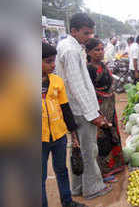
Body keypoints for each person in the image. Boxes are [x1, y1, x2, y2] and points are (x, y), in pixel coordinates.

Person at [55, 13, 112, 200]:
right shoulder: (70, 51)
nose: (90, 37)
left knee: (78, 149)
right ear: (74, 31)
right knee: (88, 149)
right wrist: (92, 113)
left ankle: (78, 187)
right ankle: (93, 188)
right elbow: (76, 84)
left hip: (74, 107)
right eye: (86, 33)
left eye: (91, 33)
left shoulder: (70, 46)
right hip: (79, 109)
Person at [42, 43, 87, 207]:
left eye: (53, 61)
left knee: (62, 170)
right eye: (48, 61)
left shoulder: (57, 81)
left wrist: (73, 135)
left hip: (59, 136)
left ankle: (67, 202)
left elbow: (65, 108)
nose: (53, 65)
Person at [86, 38, 125, 183]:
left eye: (102, 49)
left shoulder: (103, 65)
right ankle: (104, 171)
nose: (101, 52)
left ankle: (116, 165)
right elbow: (89, 90)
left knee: (113, 133)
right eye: (97, 50)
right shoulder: (89, 69)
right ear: (88, 52)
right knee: (102, 138)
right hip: (99, 107)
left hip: (110, 107)